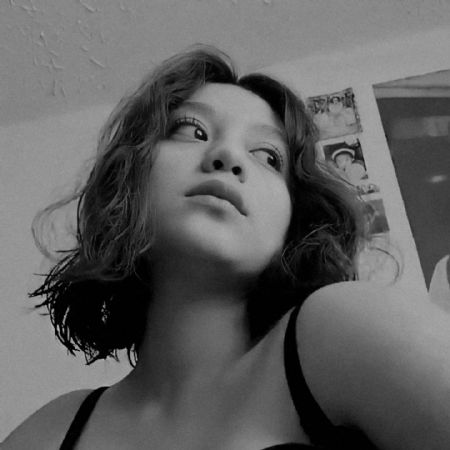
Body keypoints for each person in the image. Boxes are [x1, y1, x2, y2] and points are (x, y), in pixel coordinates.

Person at [4, 45, 450, 450]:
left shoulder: (338, 330)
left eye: (268, 157)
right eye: (192, 130)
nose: (229, 157)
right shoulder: (52, 430)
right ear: (130, 180)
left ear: (294, 221)